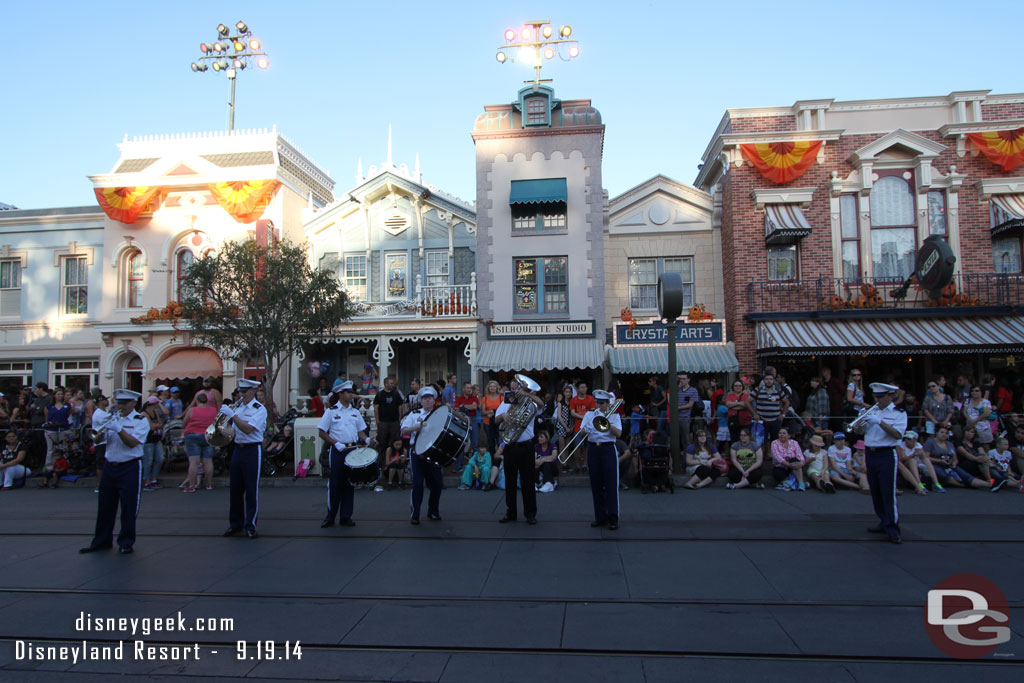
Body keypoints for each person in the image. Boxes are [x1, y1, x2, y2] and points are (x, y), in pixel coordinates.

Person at [80, 389, 149, 554]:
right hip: (111, 465)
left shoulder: (140, 420)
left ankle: (126, 542)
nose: (120, 406)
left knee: (129, 506)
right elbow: (98, 440)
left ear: (133, 403)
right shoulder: (112, 418)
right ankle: (101, 541)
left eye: (124, 403)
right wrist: (99, 432)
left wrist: (119, 429)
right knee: (105, 506)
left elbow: (133, 443)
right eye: (118, 402)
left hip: (130, 466)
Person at [857, 382, 908, 544]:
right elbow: (858, 432)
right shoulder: (873, 411)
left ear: (890, 396)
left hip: (886, 454)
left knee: (888, 492)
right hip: (871, 453)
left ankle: (893, 528)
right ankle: (883, 521)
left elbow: (897, 434)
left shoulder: (899, 413)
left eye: (880, 396)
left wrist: (879, 422)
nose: (877, 400)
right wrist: (861, 420)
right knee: (876, 492)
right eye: (875, 396)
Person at [319, 380, 371, 528]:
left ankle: (346, 516)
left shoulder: (355, 412)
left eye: (351, 392)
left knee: (349, 483)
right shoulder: (331, 411)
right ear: (341, 394)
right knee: (335, 484)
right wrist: (335, 443)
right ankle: (330, 516)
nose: (351, 395)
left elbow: (361, 431)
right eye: (348, 392)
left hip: (352, 450)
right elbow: (322, 432)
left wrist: (367, 439)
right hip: (338, 450)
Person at [221, 379, 268, 538]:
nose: (241, 394)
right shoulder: (238, 407)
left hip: (252, 449)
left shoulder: (259, 409)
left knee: (251, 490)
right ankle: (235, 524)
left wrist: (232, 415)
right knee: (235, 490)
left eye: (245, 391)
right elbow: (231, 430)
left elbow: (248, 429)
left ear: (253, 391)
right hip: (237, 449)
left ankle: (250, 525)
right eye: (240, 391)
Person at [495, 379, 545, 524]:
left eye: (522, 387)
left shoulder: (532, 403)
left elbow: (541, 404)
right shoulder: (506, 402)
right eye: (517, 386)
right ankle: (511, 512)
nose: (518, 388)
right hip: (511, 445)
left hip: (527, 446)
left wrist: (527, 395)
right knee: (510, 481)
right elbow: (495, 421)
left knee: (528, 481)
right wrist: (503, 416)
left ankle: (530, 513)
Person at [580, 390, 623, 529]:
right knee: (596, 484)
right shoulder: (590, 414)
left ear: (608, 403)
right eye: (598, 402)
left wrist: (607, 424)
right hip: (593, 449)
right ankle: (600, 517)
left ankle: (613, 517)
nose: (599, 405)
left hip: (608, 448)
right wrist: (587, 429)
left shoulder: (615, 415)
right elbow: (581, 431)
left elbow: (619, 433)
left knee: (611, 484)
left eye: (602, 403)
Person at [402, 386, 444, 523]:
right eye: (425, 399)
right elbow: (403, 431)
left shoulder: (439, 414)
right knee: (418, 484)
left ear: (434, 401)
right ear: (421, 401)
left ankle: (433, 511)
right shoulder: (414, 414)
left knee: (437, 483)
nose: (427, 401)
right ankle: (415, 514)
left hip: (433, 452)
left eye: (430, 398)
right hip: (417, 451)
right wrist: (417, 427)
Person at [182, 391, 217, 493]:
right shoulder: (214, 410)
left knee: (194, 462)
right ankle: (209, 484)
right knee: (208, 461)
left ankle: (192, 486)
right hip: (208, 435)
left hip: (193, 435)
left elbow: (184, 422)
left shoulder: (192, 410)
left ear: (197, 400)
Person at [373, 376, 404, 479]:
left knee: (394, 443)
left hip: (394, 422)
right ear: (386, 384)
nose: (392, 385)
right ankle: (382, 466)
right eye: (390, 383)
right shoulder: (380, 394)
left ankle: (395, 465)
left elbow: (400, 405)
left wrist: (399, 418)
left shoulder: (396, 394)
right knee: (382, 443)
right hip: (383, 422)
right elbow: (376, 407)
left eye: (393, 383)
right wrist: (378, 420)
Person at [746, 373, 788, 447]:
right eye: (767, 379)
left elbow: (787, 402)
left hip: (775, 420)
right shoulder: (758, 390)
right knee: (760, 442)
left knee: (777, 442)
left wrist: (783, 414)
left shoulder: (778, 390)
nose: (769, 381)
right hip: (762, 420)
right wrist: (754, 414)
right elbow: (747, 401)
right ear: (764, 380)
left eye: (771, 379)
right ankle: (761, 457)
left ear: (773, 380)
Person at [569, 382, 596, 472]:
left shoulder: (590, 398)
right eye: (582, 387)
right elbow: (572, 412)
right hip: (578, 427)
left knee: (586, 447)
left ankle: (585, 464)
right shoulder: (574, 400)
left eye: (585, 387)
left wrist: (586, 418)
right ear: (578, 389)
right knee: (577, 447)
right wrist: (583, 417)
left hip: (588, 426)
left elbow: (593, 411)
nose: (584, 389)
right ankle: (577, 465)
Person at [453, 382, 480, 470]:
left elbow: (474, 407)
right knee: (461, 443)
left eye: (470, 388)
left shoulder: (474, 397)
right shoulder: (459, 398)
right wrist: (467, 406)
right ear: (463, 389)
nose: (469, 390)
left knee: (475, 443)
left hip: (473, 419)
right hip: (463, 420)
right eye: (467, 388)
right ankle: (458, 466)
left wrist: (463, 406)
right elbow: (456, 410)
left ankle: (476, 465)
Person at [770, 427, 806, 491]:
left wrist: (801, 463)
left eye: (784, 433)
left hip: (793, 465)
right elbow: (777, 457)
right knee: (778, 475)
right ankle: (793, 482)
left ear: (789, 435)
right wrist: (789, 465)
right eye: (780, 433)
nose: (781, 435)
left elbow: (800, 455)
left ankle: (801, 483)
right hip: (781, 466)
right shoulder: (774, 443)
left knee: (795, 460)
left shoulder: (794, 443)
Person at [140, 397, 165, 490]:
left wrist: (156, 426)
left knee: (160, 458)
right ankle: (147, 481)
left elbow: (160, 423)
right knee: (148, 461)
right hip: (148, 440)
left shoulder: (155, 412)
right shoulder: (144, 413)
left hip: (156, 439)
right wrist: (156, 426)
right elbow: (150, 427)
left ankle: (154, 479)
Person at [897, 431, 928, 496]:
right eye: (906, 438)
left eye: (909, 439)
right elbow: (902, 459)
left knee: (922, 460)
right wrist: (912, 455)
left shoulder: (918, 445)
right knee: (912, 461)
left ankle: (936, 483)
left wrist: (921, 453)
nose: (907, 440)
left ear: (915, 439)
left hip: (917, 464)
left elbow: (924, 458)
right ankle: (919, 483)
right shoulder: (901, 445)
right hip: (906, 463)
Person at [481, 380, 504, 454]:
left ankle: (499, 461)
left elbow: (504, 410)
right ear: (488, 388)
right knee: (490, 443)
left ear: (497, 387)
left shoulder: (501, 398)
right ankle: (491, 459)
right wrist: (490, 412)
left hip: (499, 423)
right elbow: (483, 412)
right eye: (491, 386)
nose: (492, 388)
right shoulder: (485, 398)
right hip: (488, 423)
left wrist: (494, 412)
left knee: (499, 442)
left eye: (494, 386)